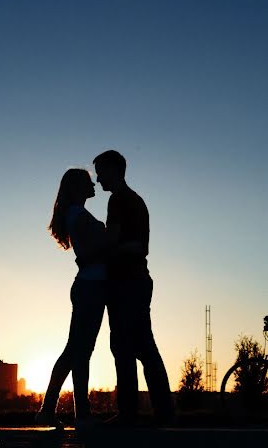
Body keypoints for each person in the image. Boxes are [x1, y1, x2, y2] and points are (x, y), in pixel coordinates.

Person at [93, 149, 174, 425]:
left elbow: (117, 242)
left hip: (126, 282)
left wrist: (98, 247)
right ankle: (164, 411)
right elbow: (137, 245)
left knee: (125, 347)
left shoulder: (118, 200)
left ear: (114, 170)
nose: (97, 178)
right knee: (144, 347)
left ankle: (128, 413)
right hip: (138, 279)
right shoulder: (136, 200)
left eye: (101, 171)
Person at [35, 168, 108, 429]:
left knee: (75, 351)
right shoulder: (77, 214)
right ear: (77, 187)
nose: (94, 186)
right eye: (89, 182)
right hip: (90, 286)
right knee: (79, 352)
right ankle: (81, 415)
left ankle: (51, 410)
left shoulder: (77, 213)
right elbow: (95, 249)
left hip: (90, 285)